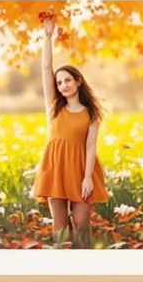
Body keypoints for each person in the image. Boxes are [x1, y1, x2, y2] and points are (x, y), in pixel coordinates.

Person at [32, 14, 106, 247]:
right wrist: (47, 36)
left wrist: (87, 178)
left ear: (78, 81)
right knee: (60, 226)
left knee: (82, 222)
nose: (63, 85)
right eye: (59, 82)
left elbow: (91, 146)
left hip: (80, 170)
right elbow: (46, 68)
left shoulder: (91, 113)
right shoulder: (54, 107)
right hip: (55, 168)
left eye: (67, 80)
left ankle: (87, 264)